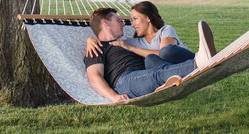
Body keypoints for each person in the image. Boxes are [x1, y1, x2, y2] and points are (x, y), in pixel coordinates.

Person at [84, 6, 217, 102]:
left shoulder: (126, 43)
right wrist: (113, 96)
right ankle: (199, 61)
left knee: (152, 60)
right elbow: (94, 77)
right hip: (124, 81)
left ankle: (188, 67)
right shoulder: (97, 48)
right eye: (118, 20)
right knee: (156, 74)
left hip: (143, 74)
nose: (123, 24)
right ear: (105, 23)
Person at [85, 1, 194, 68]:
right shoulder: (131, 42)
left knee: (167, 51)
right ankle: (180, 72)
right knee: (150, 60)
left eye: (135, 19)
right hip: (170, 71)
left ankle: (199, 59)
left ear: (148, 18)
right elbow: (108, 42)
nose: (132, 25)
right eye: (131, 20)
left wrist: (132, 48)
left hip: (183, 60)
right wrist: (90, 39)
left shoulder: (165, 30)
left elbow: (163, 53)